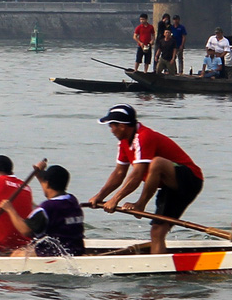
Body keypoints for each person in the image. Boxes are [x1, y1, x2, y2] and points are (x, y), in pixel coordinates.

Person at [87, 103, 204, 254]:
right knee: (157, 231)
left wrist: (115, 199)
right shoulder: (123, 143)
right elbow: (119, 173)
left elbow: (136, 175)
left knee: (157, 163)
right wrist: (99, 197)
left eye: (112, 126)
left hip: (190, 178)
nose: (111, 130)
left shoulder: (144, 137)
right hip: (169, 187)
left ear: (122, 126)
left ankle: (141, 204)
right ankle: (160, 269)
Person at [0, 161, 84, 257]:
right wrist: (39, 174)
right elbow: (49, 190)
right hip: (76, 249)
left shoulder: (46, 208)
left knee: (16, 254)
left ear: (47, 183)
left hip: (55, 252)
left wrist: (10, 209)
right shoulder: (72, 200)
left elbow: (25, 231)